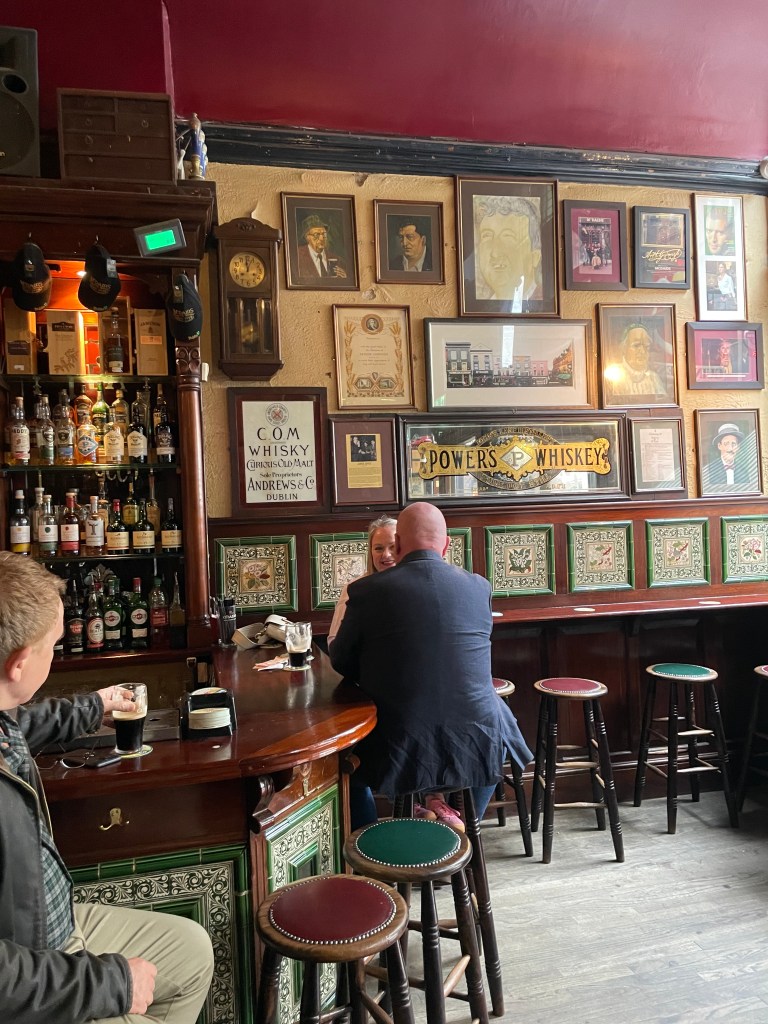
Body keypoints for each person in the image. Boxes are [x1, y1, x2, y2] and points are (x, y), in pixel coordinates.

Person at [0, 554, 214, 1024]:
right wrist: (110, 984)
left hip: (53, 926)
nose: (56, 656)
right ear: (18, 664)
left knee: (194, 949)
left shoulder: (3, 713)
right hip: (35, 970)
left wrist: (91, 707)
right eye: (52, 646)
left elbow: (22, 721)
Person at [330, 502, 532, 831]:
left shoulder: (366, 591)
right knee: (495, 745)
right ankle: (464, 831)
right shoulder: (479, 587)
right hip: (478, 737)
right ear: (447, 544)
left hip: (398, 740)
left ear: (399, 545)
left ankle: (376, 849)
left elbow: (342, 661)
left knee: (341, 766)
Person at [328, 514, 396, 648]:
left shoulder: (417, 586)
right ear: (370, 552)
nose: (386, 554)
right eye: (378, 548)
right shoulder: (354, 588)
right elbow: (334, 640)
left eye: (392, 546)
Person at [473, 194, 543, 311]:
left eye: (508, 237)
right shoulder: (480, 310)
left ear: (535, 256)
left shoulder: (541, 307)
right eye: (487, 236)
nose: (495, 253)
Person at [610, 323, 666, 398]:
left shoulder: (654, 378)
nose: (643, 351)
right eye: (636, 345)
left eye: (647, 346)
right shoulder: (614, 375)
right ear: (623, 348)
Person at [702, 422, 753, 491]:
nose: (730, 448)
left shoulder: (744, 472)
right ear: (719, 446)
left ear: (738, 447)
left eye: (734, 444)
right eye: (726, 444)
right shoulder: (710, 471)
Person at [296, 214, 347, 281]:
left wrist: (345, 279)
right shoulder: (297, 256)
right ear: (307, 237)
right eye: (316, 235)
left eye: (324, 234)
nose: (321, 238)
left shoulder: (336, 259)